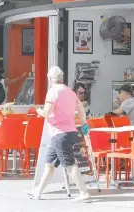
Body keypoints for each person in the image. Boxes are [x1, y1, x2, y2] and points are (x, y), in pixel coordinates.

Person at [26, 66, 90, 202]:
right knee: (49, 164)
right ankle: (37, 193)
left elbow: (47, 112)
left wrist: (39, 111)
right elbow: (81, 109)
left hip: (60, 133)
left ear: (50, 79)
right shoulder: (71, 92)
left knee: (70, 164)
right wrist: (83, 122)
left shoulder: (52, 92)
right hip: (69, 132)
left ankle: (84, 193)